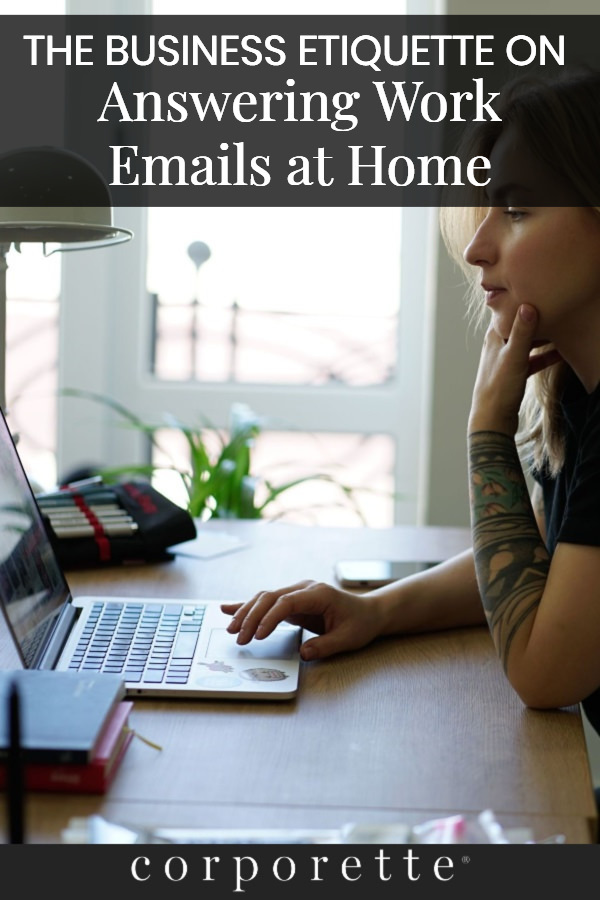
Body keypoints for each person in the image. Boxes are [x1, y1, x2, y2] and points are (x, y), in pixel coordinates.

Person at [221, 69, 600, 740]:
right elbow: (548, 544)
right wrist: (375, 611)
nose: (479, 246)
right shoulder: (582, 391)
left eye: (516, 211)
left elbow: (544, 674)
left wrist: (487, 429)